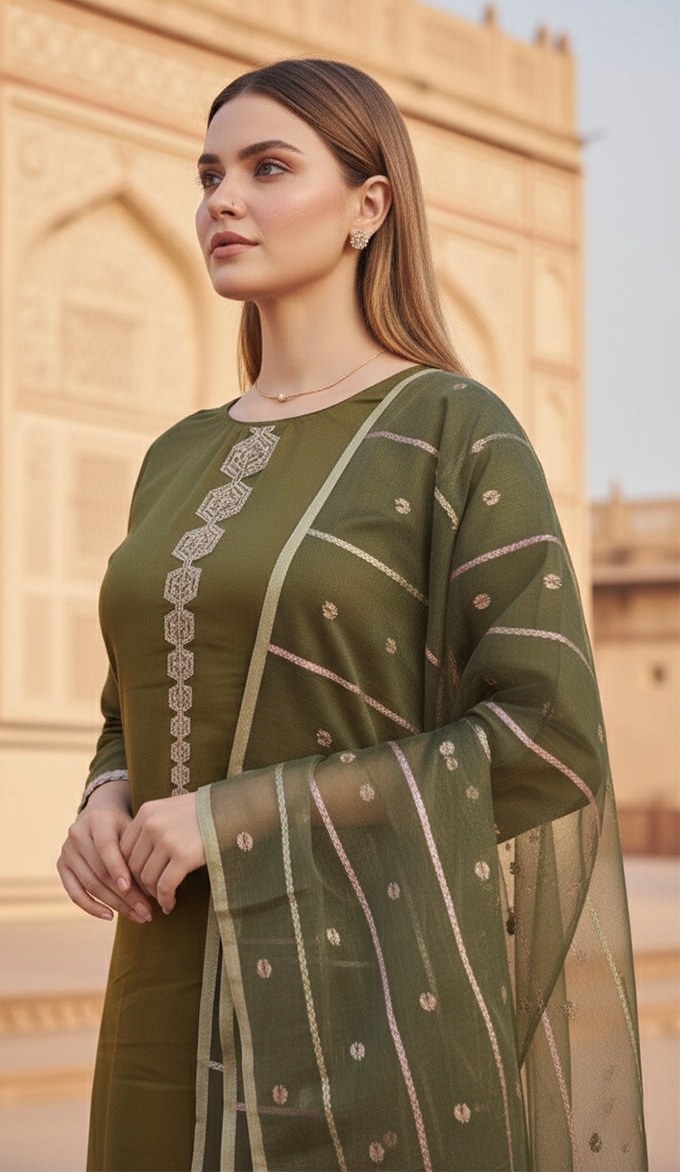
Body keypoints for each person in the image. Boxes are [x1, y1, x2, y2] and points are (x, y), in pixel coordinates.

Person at [58, 59, 647, 1172]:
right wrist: (105, 794)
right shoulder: (178, 456)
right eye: (208, 173)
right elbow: (131, 697)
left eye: (267, 168)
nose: (220, 200)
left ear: (367, 207)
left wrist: (234, 821)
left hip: (372, 997)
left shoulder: (451, 429)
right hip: (164, 979)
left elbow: (546, 740)